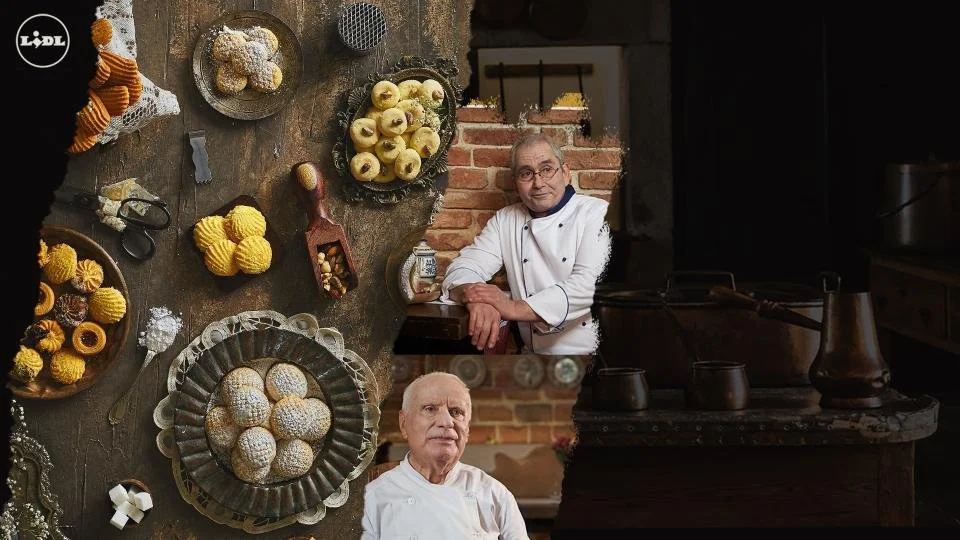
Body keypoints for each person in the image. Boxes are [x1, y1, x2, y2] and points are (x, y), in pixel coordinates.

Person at [440, 133, 612, 354]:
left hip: (589, 360)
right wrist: (475, 298)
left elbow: (587, 285)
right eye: (526, 173)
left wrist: (512, 307)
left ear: (566, 173)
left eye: (547, 169)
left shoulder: (595, 213)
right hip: (532, 362)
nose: (538, 183)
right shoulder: (506, 219)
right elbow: (464, 267)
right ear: (516, 183)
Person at [361, 372, 529, 539]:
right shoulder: (373, 498)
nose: (447, 422)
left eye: (456, 412)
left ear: (467, 428)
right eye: (430, 409)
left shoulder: (494, 493)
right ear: (404, 424)